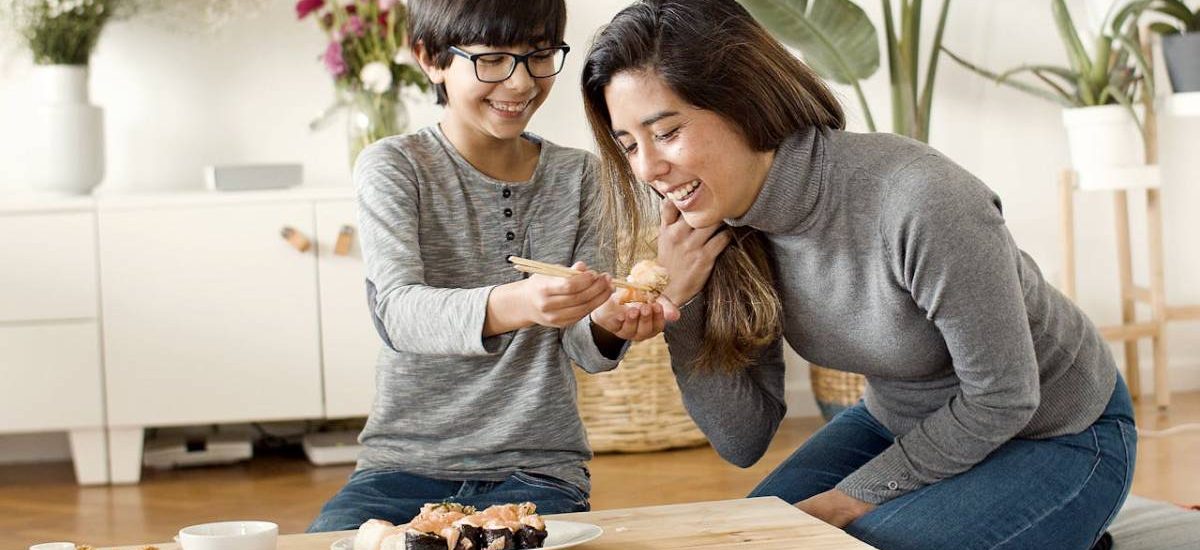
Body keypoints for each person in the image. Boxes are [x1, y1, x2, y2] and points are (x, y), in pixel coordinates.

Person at [579, 1, 1136, 548]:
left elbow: (1006, 397)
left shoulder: (922, 199)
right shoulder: (722, 225)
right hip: (902, 424)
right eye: (629, 146)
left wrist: (854, 497)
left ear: (743, 103)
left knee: (855, 543)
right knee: (756, 540)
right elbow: (741, 440)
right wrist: (683, 300)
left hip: (1058, 431)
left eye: (667, 132)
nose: (648, 169)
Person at [308, 0, 671, 532]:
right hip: (400, 469)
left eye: (539, 56)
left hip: (538, 471)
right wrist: (518, 302)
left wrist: (606, 325)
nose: (521, 83)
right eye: (494, 60)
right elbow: (399, 314)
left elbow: (584, 351)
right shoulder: (395, 166)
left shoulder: (581, 176)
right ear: (430, 58)